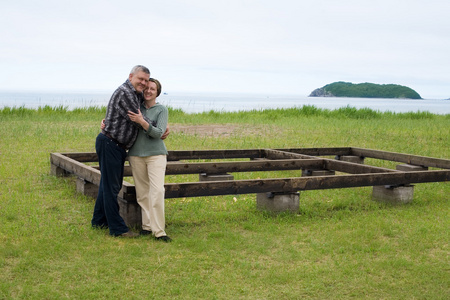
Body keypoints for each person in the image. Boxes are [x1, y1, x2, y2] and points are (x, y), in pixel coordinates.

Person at [91, 65, 153, 238]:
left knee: (107, 184)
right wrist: (157, 128)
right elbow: (137, 119)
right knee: (112, 187)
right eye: (140, 79)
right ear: (131, 76)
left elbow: (145, 111)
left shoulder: (136, 93)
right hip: (111, 143)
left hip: (114, 144)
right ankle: (117, 229)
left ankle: (99, 220)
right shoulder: (126, 92)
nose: (143, 83)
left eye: (146, 80)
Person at [127, 78, 172, 242]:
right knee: (142, 193)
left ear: (157, 92)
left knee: (157, 191)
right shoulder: (135, 106)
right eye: (147, 88)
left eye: (153, 89)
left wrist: (142, 122)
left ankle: (159, 231)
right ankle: (146, 227)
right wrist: (104, 123)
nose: (149, 91)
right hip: (136, 154)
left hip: (156, 154)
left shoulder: (161, 110)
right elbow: (120, 121)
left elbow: (158, 133)